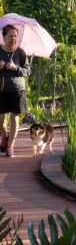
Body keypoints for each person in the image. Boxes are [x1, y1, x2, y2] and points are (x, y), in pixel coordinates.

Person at [0, 25, 31, 157]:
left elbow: (27, 71)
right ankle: (5, 136)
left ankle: (10, 146)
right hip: (1, 89)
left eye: (15, 36)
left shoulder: (20, 53)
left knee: (14, 117)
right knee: (0, 119)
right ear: (3, 37)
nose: (13, 38)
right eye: (10, 36)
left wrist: (15, 68)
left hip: (17, 90)